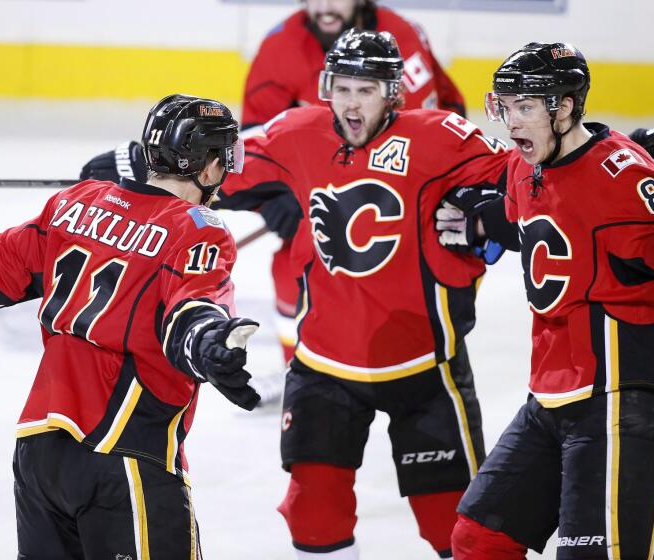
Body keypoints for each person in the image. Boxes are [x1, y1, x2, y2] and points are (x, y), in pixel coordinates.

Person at [0, 94, 261, 559]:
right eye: (227, 158)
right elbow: (193, 308)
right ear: (207, 166)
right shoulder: (198, 227)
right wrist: (209, 344)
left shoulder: (72, 205)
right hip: (124, 457)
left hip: (40, 456)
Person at [215, 28, 515, 559]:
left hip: (424, 365)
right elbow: (219, 163)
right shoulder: (297, 131)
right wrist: (140, 165)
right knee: (314, 514)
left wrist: (487, 211)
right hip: (324, 367)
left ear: (392, 93)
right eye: (344, 88)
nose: (352, 103)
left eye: (367, 90)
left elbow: (527, 177)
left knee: (457, 526)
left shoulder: (442, 135)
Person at [434, 43, 654, 559]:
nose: (511, 121)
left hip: (624, 386)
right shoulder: (529, 165)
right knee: (481, 537)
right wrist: (478, 223)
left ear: (563, 107)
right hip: (557, 387)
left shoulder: (623, 177)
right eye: (506, 106)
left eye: (526, 107)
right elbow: (534, 219)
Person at [80, 0, 467, 376]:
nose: (324, 7)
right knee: (293, 263)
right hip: (324, 181)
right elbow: (252, 148)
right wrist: (276, 200)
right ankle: (300, 365)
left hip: (414, 185)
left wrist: (453, 184)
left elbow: (447, 110)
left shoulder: (401, 38)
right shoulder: (280, 47)